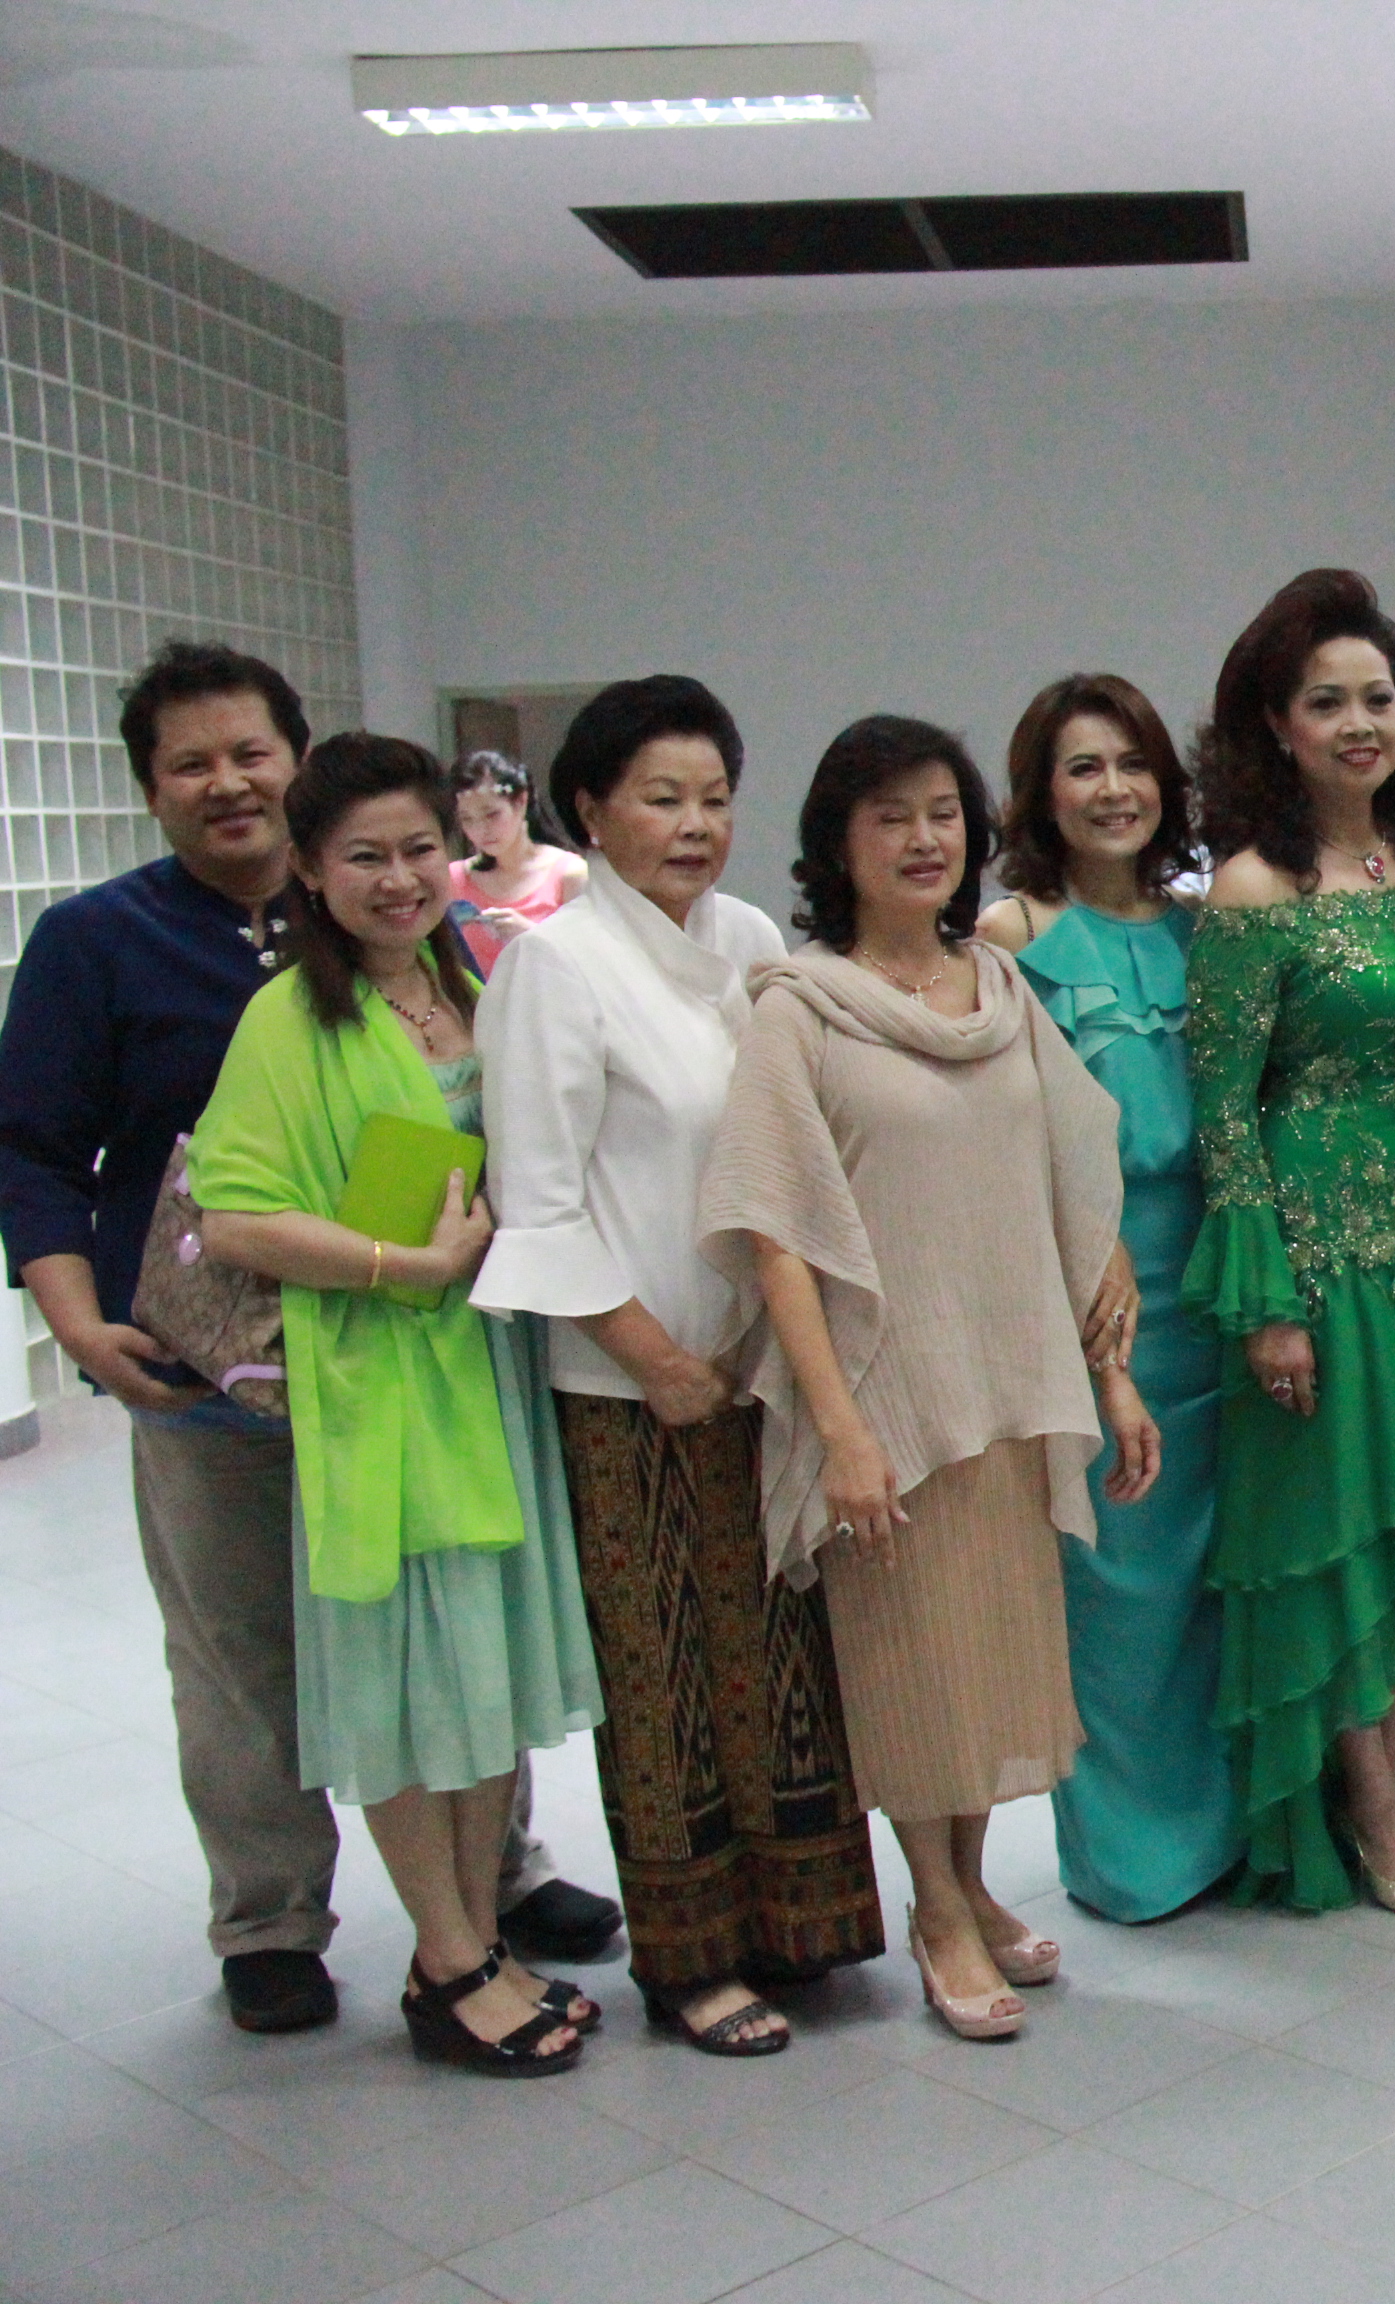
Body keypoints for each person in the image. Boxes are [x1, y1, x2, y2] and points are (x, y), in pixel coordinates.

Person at [0, 641, 612, 2036]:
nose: (226, 782)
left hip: (428, 1360)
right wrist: (77, 1318)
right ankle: (273, 1918)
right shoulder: (100, 943)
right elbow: (34, 1145)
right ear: (151, 788)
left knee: (451, 1623)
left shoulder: (426, 945)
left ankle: (492, 1889)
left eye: (249, 754)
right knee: (246, 1659)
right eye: (190, 764)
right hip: (213, 1371)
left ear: (293, 765)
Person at [702, 714, 1157, 2039]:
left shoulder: (999, 990)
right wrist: (839, 1427)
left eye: (943, 814)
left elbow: (1074, 1180)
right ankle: (939, 1912)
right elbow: (775, 1232)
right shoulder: (800, 1009)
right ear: (837, 843)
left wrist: (1112, 1373)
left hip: (1010, 1385)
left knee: (989, 1663)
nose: (923, 840)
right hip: (890, 1399)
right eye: (890, 817)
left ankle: (970, 1884)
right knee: (911, 1676)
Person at [471, 676, 880, 2056]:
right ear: (589, 809)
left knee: (783, 1651)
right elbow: (539, 1205)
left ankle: (805, 1925)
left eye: (714, 798)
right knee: (667, 1680)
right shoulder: (553, 965)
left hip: (764, 1367)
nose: (696, 824)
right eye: (663, 798)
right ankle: (693, 1958)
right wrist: (655, 1360)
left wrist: (773, 1342)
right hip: (629, 1385)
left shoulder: (748, 939)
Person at [188, 733, 608, 2074]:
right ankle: (450, 1953)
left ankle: (469, 1946)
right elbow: (233, 1214)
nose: (399, 877)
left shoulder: (470, 980)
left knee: (483, 1680)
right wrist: (403, 1266)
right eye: (362, 856)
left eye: (419, 847)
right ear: (309, 872)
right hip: (381, 1385)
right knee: (409, 1688)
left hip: (486, 1372)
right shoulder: (289, 1019)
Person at [1182, 568, 1395, 1916]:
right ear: (1278, 725)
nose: (1359, 724)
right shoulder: (1253, 890)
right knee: (1344, 1526)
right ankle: (1369, 1798)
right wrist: (1266, 1303)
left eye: (1377, 697)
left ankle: (1392, 1773)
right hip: (1319, 1257)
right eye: (1327, 702)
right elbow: (1224, 1114)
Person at [978, 674, 1242, 1920]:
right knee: (1117, 1597)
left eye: (1132, 764)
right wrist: (1093, 1325)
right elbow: (1007, 1151)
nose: (1113, 789)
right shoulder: (1010, 937)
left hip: (1225, 1292)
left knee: (1219, 1591)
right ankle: (1135, 1858)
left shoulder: (1205, 930)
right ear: (1041, 791)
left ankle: (1234, 1832)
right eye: (1083, 767)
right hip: (1098, 1297)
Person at [446, 749, 588, 974]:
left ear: (521, 801)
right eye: (467, 819)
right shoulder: (453, 879)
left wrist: (534, 937)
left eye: (492, 814)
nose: (481, 830)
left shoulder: (570, 874)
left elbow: (592, 964)